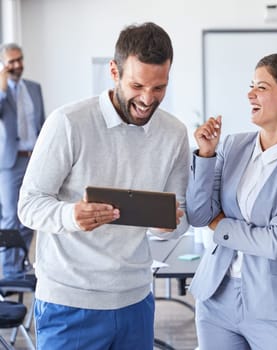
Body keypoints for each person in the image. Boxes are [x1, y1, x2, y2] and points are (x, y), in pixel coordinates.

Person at [17, 22, 190, 349]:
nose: (147, 99)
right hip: (69, 304)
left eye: (159, 88)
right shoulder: (68, 123)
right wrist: (71, 216)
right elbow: (29, 205)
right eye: (137, 85)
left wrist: (166, 226)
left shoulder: (174, 133)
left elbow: (176, 219)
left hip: (136, 301)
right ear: (114, 70)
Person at [186, 53, 277, 350]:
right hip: (215, 296)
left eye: (262, 88)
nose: (250, 94)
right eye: (251, 85)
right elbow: (199, 214)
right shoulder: (230, 145)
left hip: (272, 306)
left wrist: (221, 224)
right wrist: (205, 156)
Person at [0, 43, 45, 278]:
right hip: (9, 163)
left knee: (30, 215)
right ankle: (8, 272)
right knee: (9, 216)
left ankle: (19, 265)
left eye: (20, 59)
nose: (17, 65)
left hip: (33, 160)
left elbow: (43, 126)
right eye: (11, 61)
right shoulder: (2, 91)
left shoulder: (34, 88)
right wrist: (2, 86)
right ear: (4, 64)